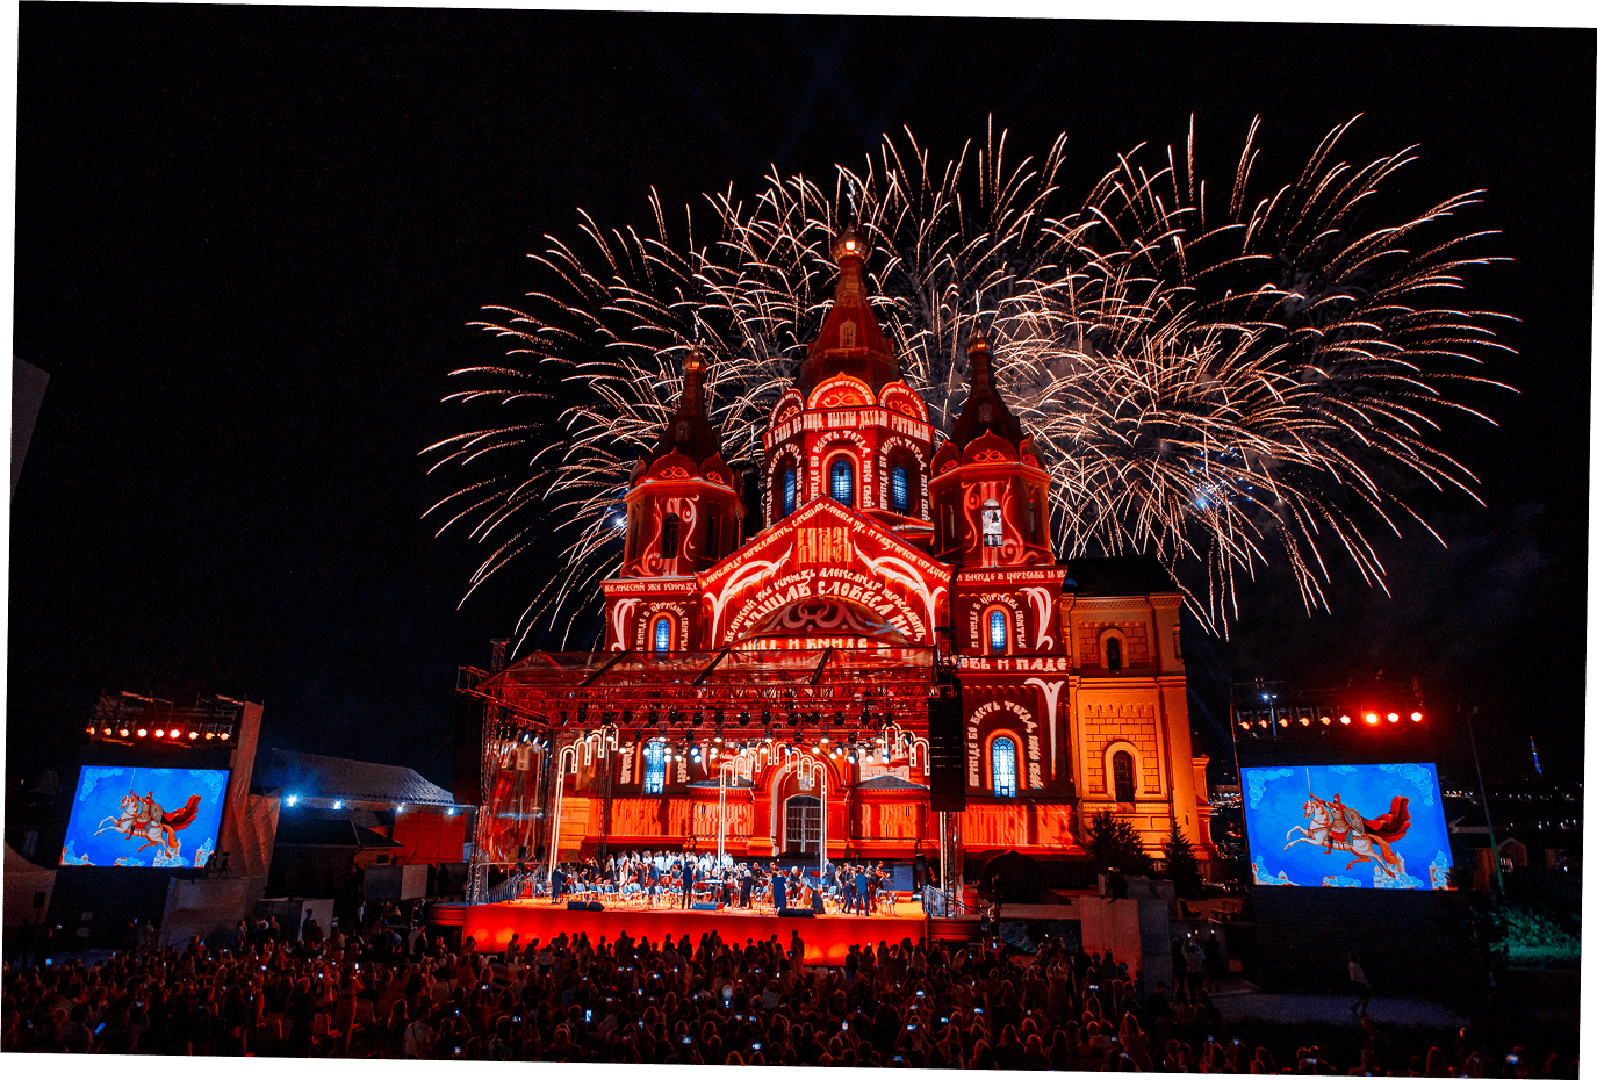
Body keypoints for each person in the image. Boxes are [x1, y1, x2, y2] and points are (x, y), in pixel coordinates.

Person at [1348, 952, 1372, 1017]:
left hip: (1355, 983)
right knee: (1366, 998)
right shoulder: (1356, 966)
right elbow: (1362, 976)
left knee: (1362, 997)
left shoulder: (1350, 965)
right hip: (1360, 983)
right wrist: (1367, 984)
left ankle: (1355, 1007)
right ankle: (1362, 1012)